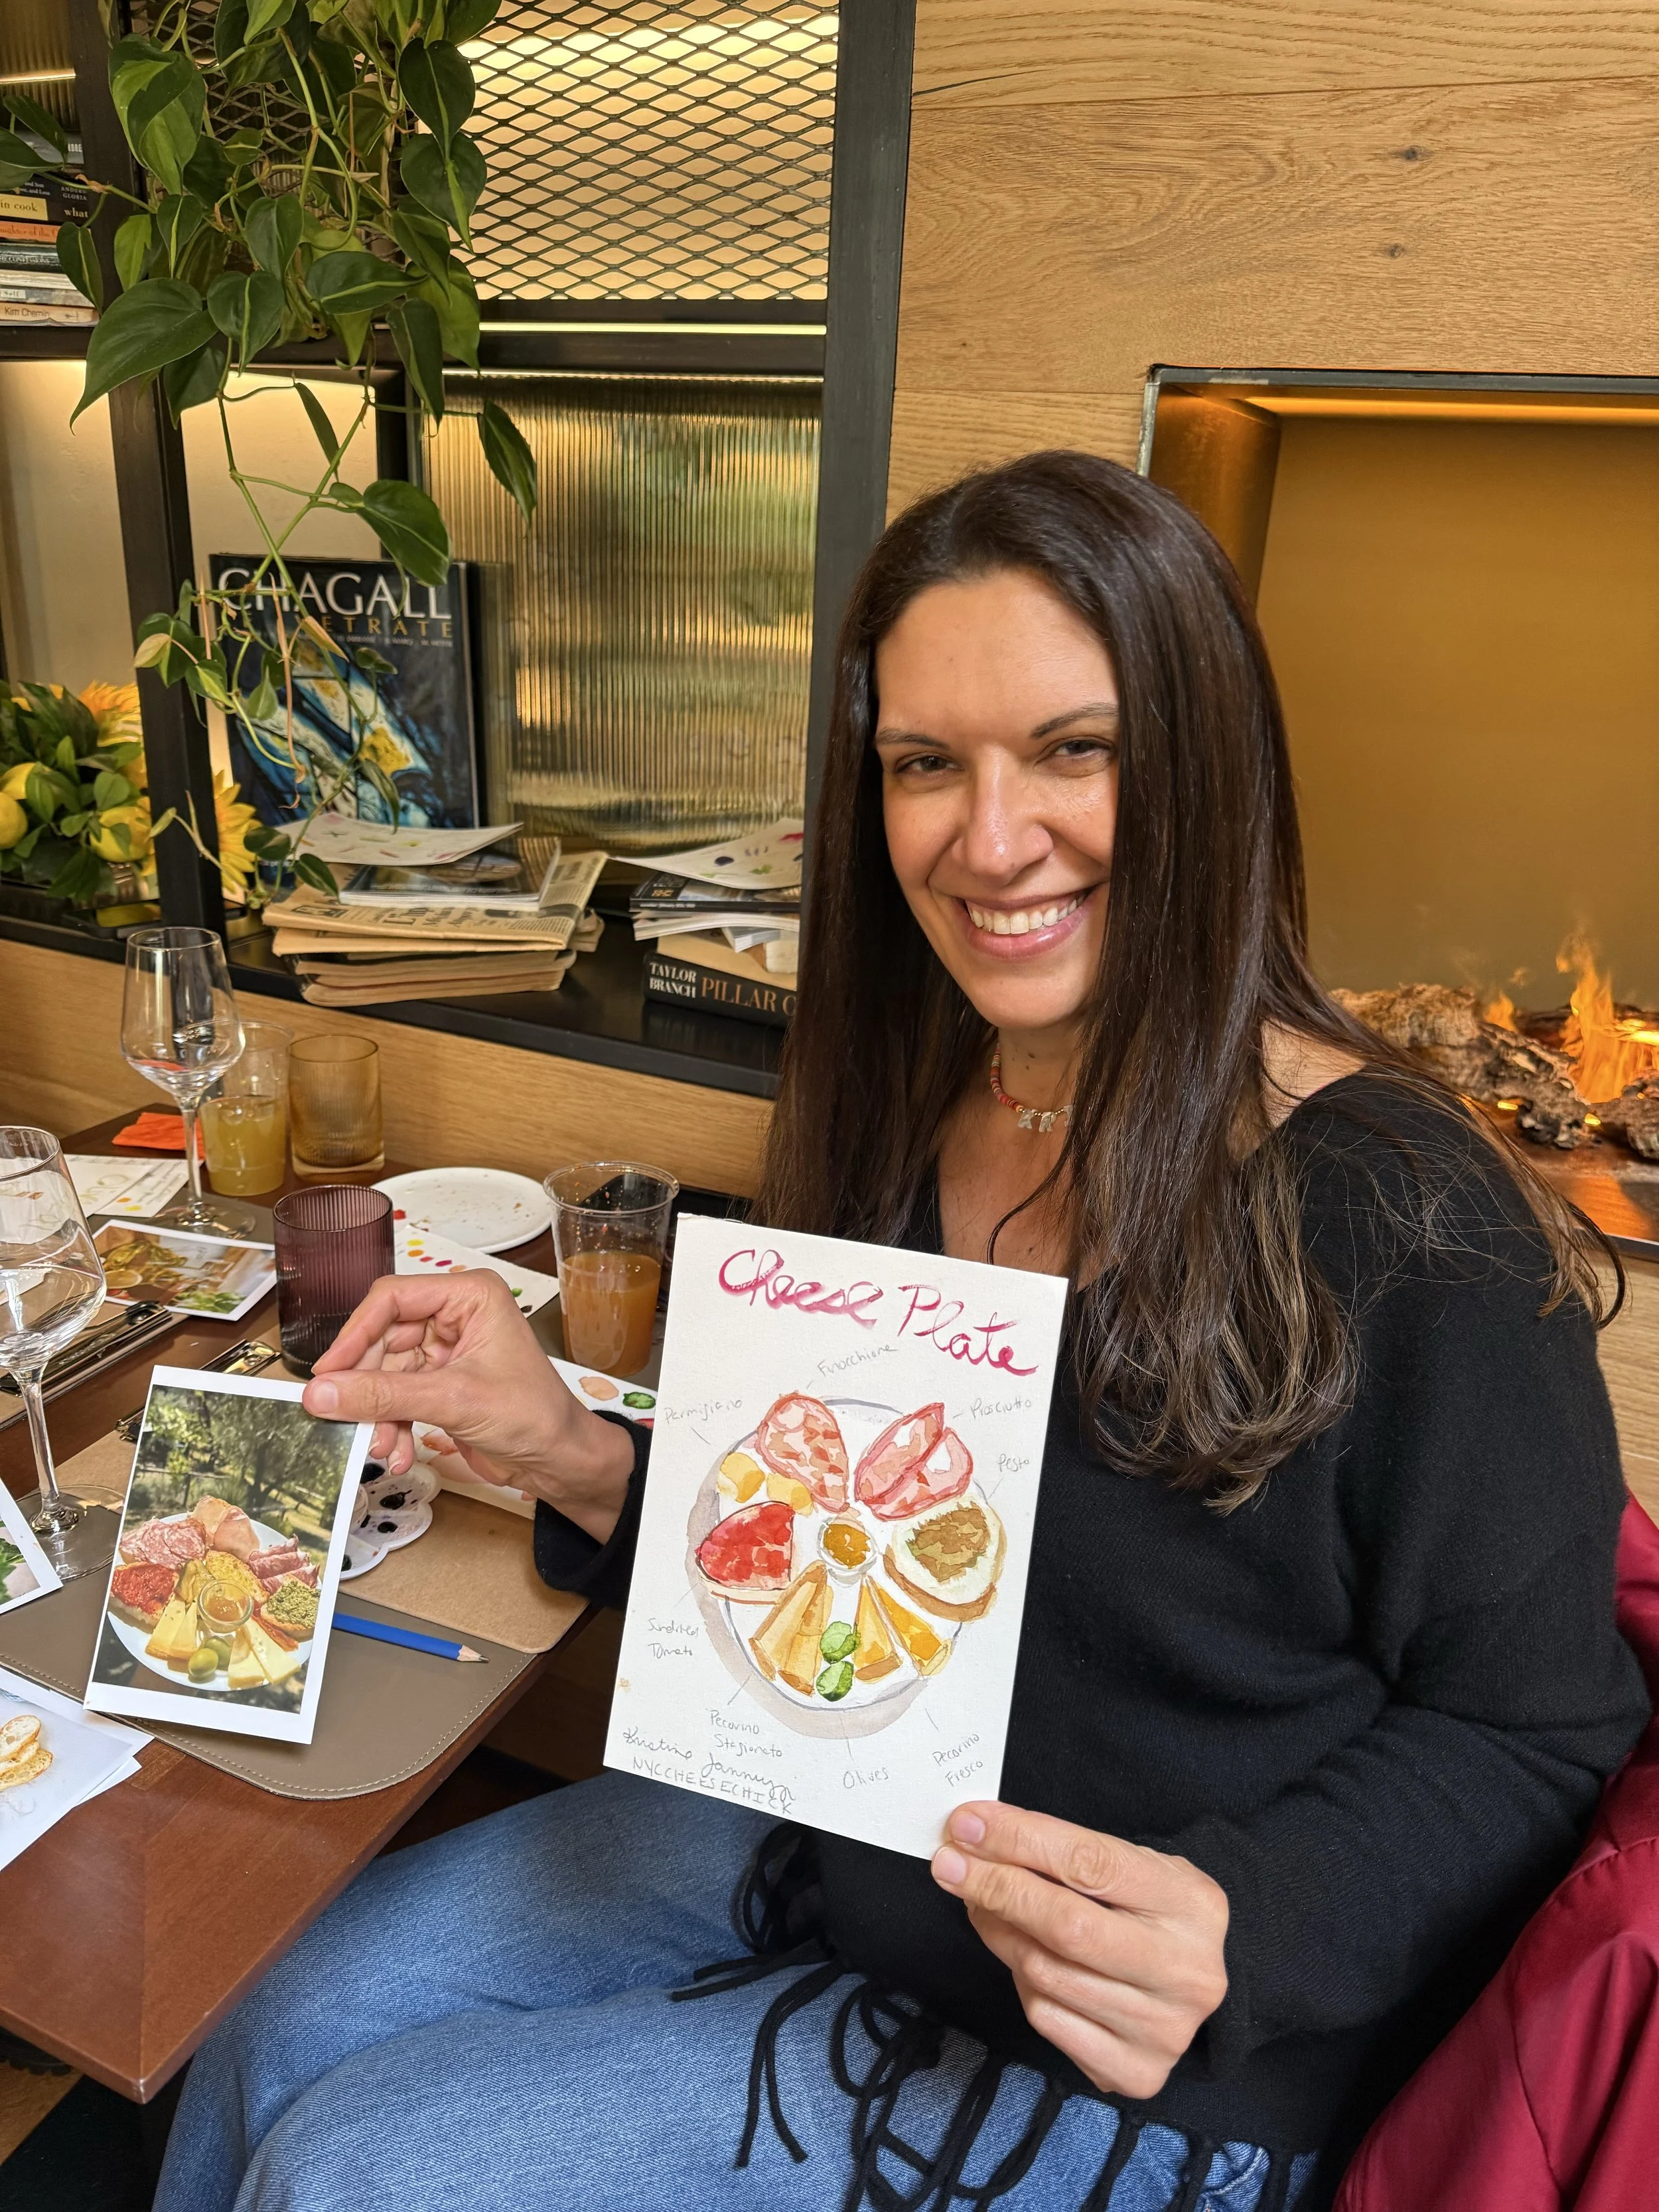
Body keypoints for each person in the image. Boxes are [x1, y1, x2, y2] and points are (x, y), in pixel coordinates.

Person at [157, 453, 1649, 2212]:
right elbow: (838, 1568)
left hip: (1122, 2036)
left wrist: (1252, 1921)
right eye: (923, 763)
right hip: (851, 1841)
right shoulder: (907, 1111)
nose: (987, 836)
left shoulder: (1405, 1215)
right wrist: (575, 1447)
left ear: (1209, 763)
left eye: (1074, 749)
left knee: (356, 2168)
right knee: (270, 2008)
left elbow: (1538, 1726)